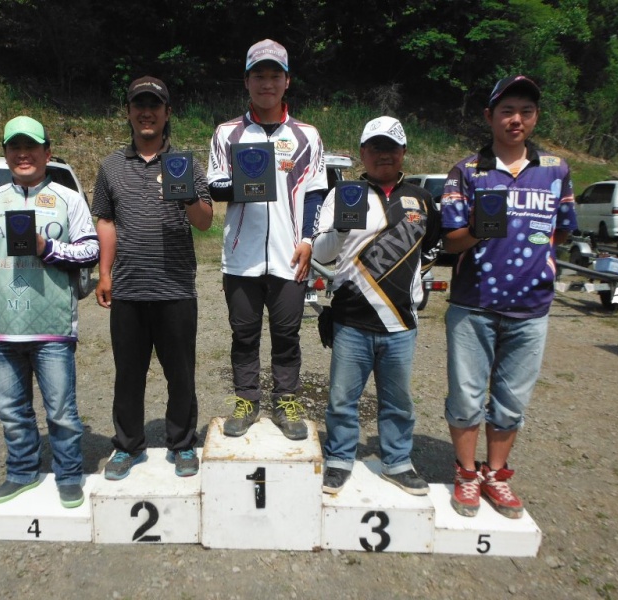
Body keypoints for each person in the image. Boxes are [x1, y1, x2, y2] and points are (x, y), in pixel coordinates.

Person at [440, 75, 578, 518]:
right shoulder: (467, 170)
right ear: (489, 116)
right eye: (507, 110)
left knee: (511, 400)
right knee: (465, 396)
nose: (516, 119)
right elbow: (450, 242)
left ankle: (496, 475)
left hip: (531, 307)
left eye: (526, 111)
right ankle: (466, 473)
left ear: (535, 117)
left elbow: (564, 231)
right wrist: (478, 227)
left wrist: (542, 266)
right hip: (473, 304)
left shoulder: (556, 169)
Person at [0, 116, 99, 508]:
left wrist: (48, 248)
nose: (23, 154)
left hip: (53, 326)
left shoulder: (68, 199)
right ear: (5, 153)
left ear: (47, 152)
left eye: (31, 147)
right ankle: (21, 472)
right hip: (3, 327)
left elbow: (90, 249)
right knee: (11, 411)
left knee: (61, 411)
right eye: (14, 147)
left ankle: (69, 475)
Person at [92, 76, 213, 480]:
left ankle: (182, 444)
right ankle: (127, 446)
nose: (147, 112)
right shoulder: (110, 166)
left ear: (167, 113)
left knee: (181, 373)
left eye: (155, 105)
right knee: (128, 374)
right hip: (127, 288)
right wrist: (104, 273)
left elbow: (205, 222)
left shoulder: (186, 164)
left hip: (176, 288)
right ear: (128, 112)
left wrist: (187, 196)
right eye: (139, 105)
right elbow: (106, 221)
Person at [313, 116, 440, 495]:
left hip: (401, 321)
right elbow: (321, 253)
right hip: (351, 318)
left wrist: (416, 285)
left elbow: (434, 245)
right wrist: (337, 228)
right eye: (375, 147)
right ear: (362, 153)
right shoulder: (343, 193)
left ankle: (398, 462)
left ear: (403, 153)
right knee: (341, 399)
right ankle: (338, 458)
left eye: (391, 148)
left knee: (398, 401)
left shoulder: (422, 198)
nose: (383, 155)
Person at [207, 39, 327, 440]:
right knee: (243, 333)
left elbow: (314, 193)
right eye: (259, 74)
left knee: (287, 334)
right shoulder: (227, 133)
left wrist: (309, 240)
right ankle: (246, 398)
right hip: (240, 256)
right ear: (247, 81)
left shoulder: (307, 135)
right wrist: (244, 181)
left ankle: (286, 399)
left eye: (275, 75)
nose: (267, 82)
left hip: (290, 254)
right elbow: (215, 186)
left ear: (287, 81)